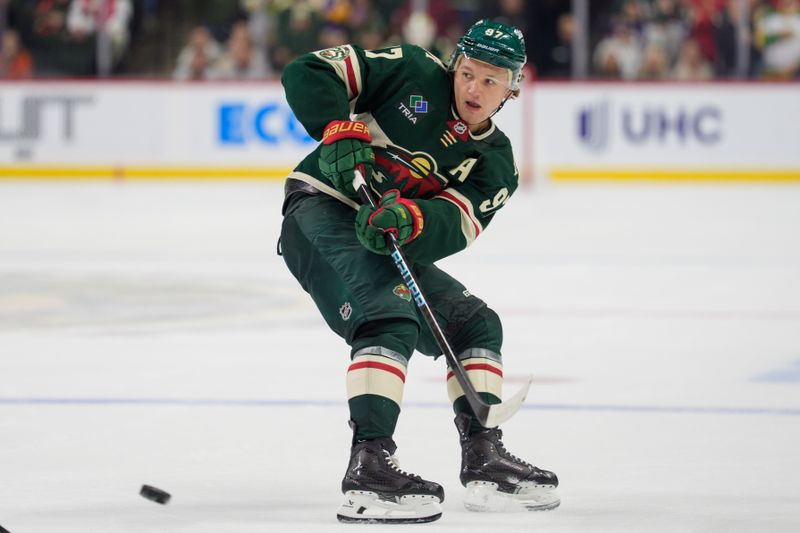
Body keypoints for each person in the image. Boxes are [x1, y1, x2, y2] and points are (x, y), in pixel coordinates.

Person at [279, 19, 560, 523]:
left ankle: (483, 455)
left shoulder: (495, 163)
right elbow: (308, 71)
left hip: (386, 239)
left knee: (476, 324)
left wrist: (412, 219)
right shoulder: (410, 70)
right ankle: (369, 463)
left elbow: (456, 225)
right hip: (320, 209)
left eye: (492, 81)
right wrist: (335, 126)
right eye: (469, 73)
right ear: (456, 64)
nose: (475, 88)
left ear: (512, 89)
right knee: (389, 316)